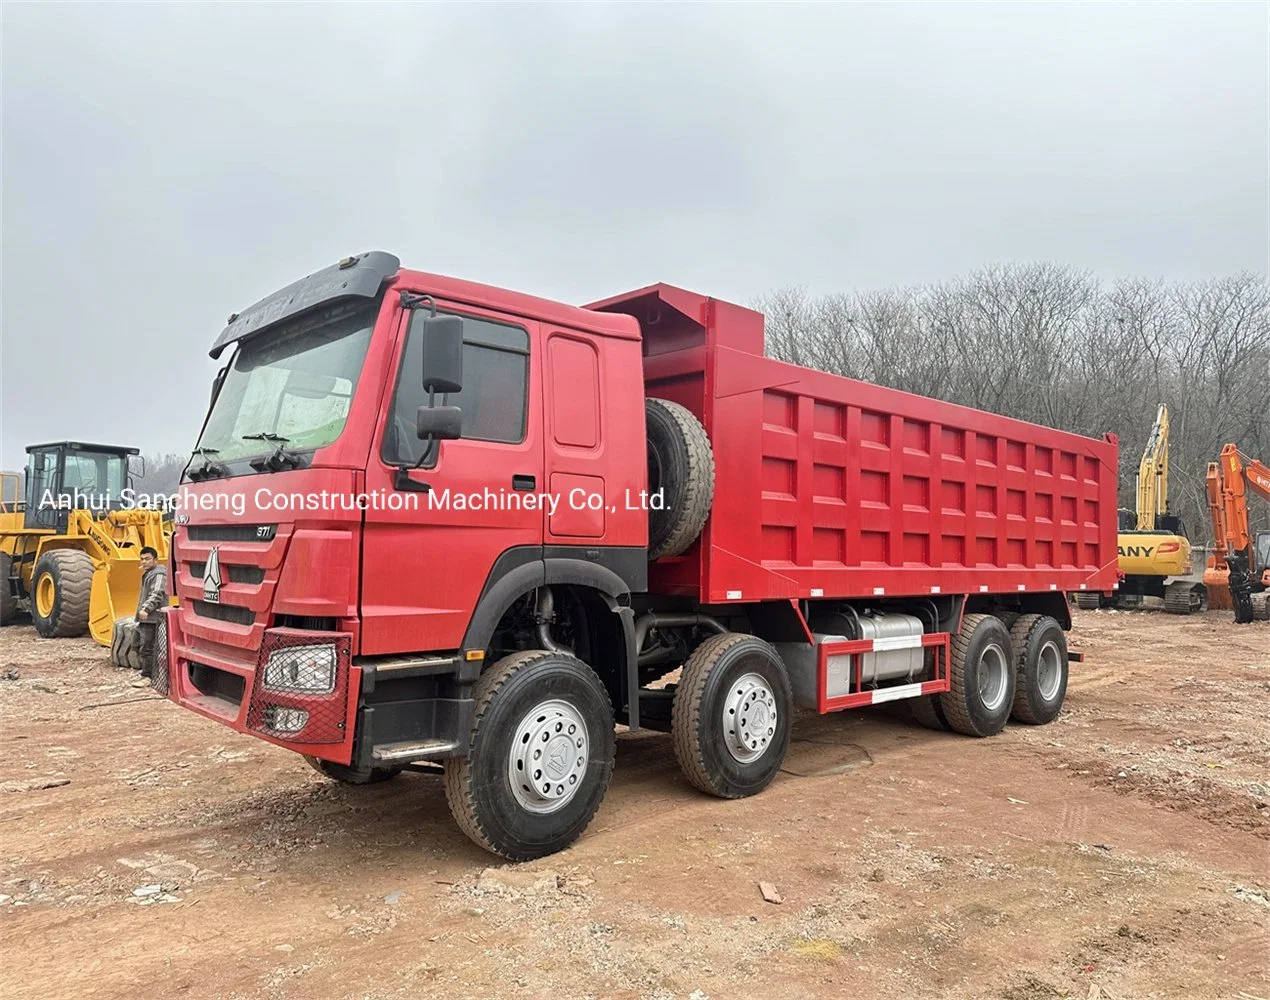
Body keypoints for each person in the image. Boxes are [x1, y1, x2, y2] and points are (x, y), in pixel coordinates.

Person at [134, 546, 169, 678]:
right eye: (142, 559)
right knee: (137, 644)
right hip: (145, 619)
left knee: (148, 648)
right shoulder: (148, 574)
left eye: (147, 559)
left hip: (153, 618)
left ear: (156, 560)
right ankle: (148, 670)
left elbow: (157, 593)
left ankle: (149, 676)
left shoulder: (159, 574)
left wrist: (146, 609)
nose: (143, 562)